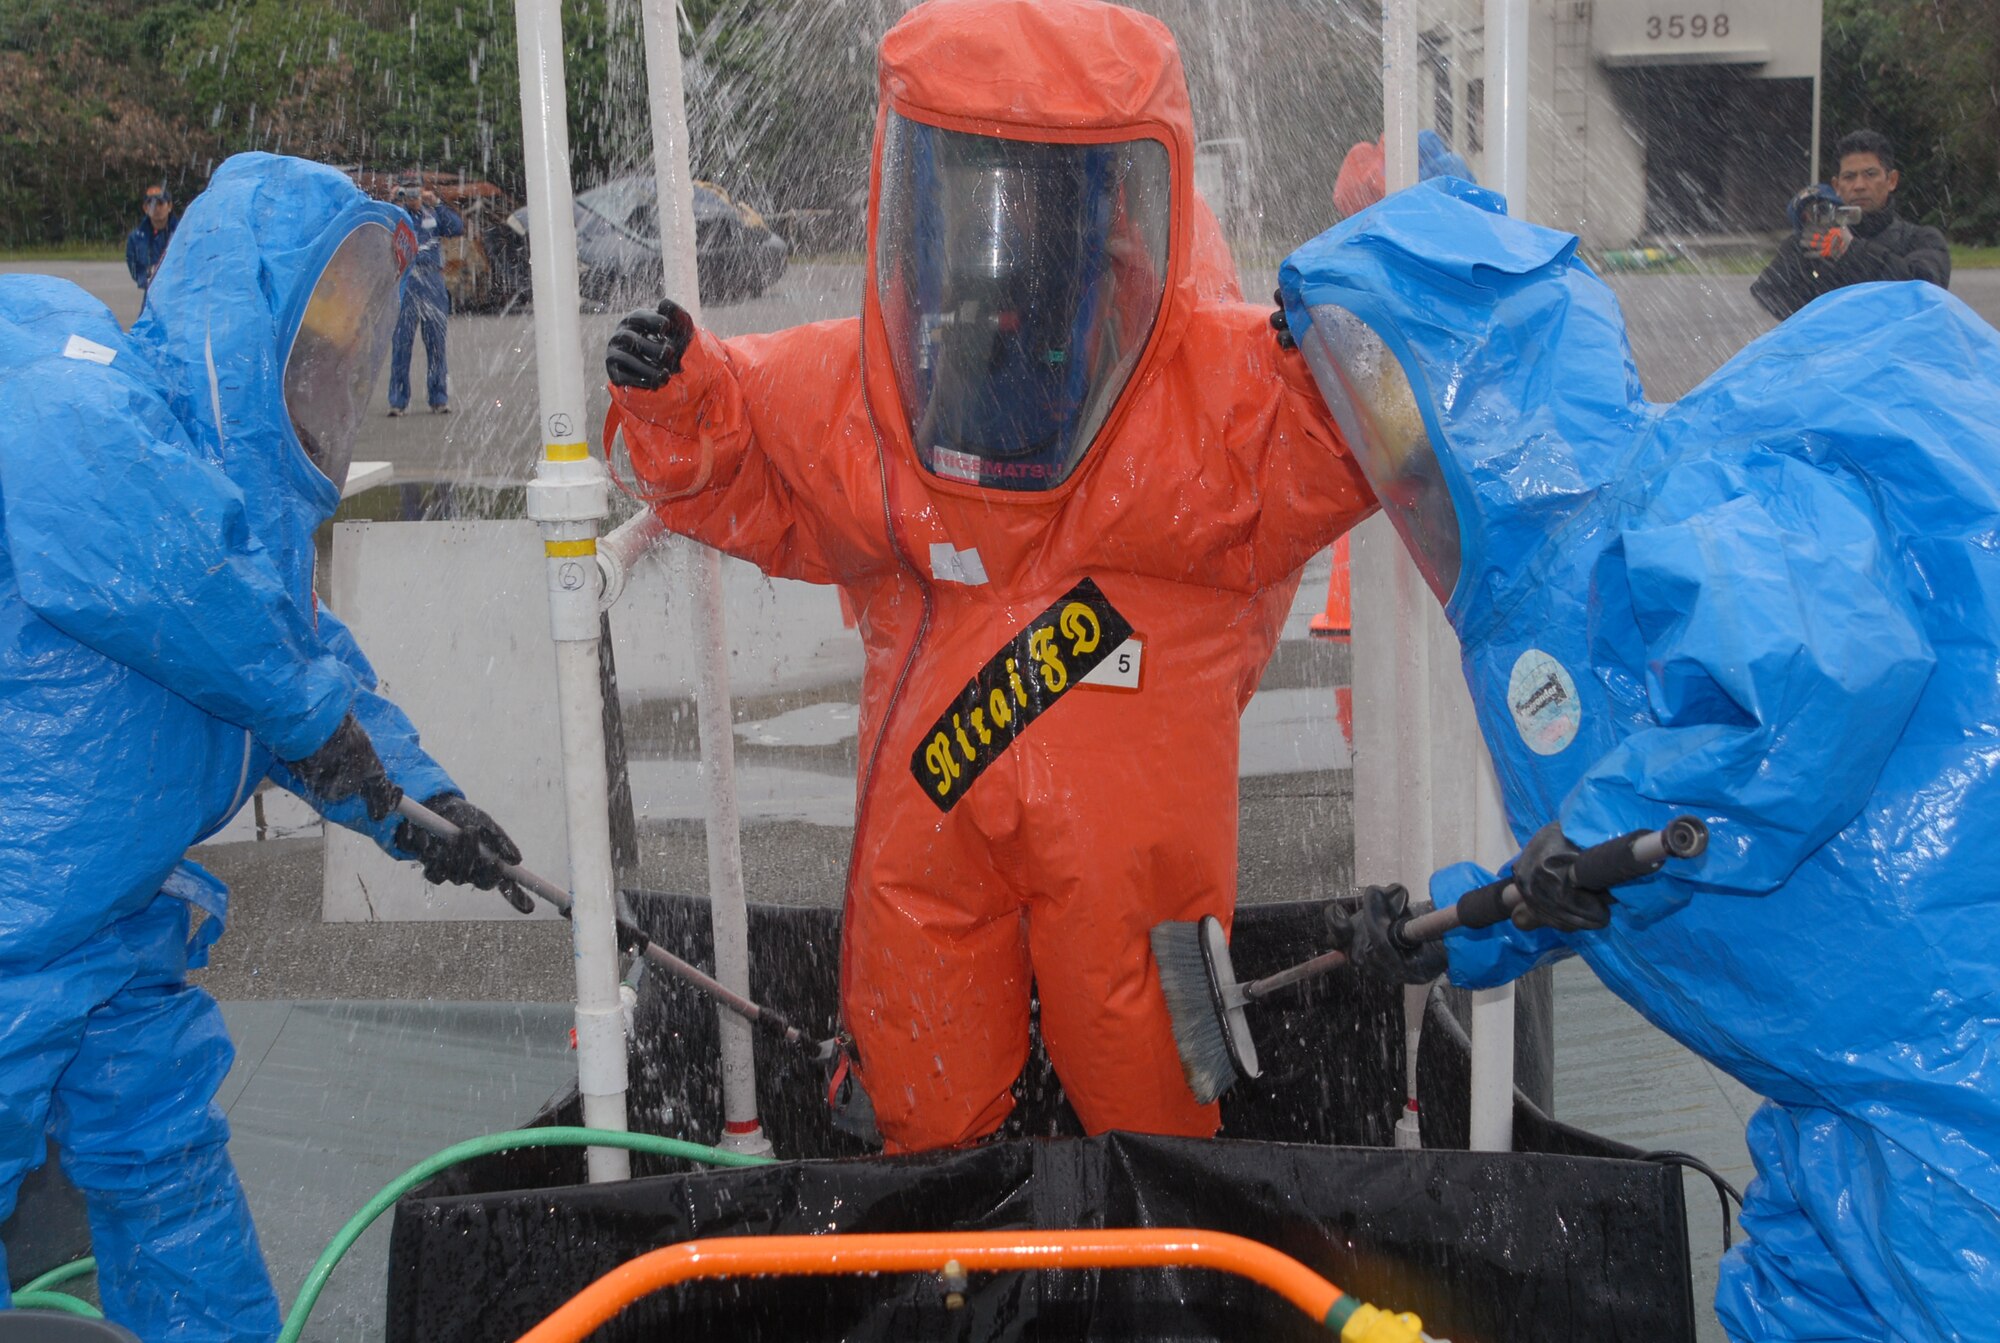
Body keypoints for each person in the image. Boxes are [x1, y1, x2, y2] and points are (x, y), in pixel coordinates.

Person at [603, 0, 1373, 1153]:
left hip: (1089, 822)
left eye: (1047, 194)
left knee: (1151, 1074)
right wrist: (676, 393)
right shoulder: (884, 388)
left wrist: (1382, 310)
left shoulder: (1213, 387)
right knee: (924, 1069)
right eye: (971, 188)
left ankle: (1136, 1248)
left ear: (1123, 198)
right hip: (952, 808)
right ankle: (987, 1244)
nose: (1007, 233)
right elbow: (747, 451)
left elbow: (1358, 424)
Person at [1280, 175, 2000, 1341]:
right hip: (1837, 1088)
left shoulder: (1684, 504)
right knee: (1789, 1299)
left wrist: (1593, 828)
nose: (1383, 447)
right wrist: (1470, 921)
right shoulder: (1553, 580)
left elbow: (1826, 677)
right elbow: (1618, 838)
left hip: (1947, 1089)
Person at [0, 153, 525, 1342]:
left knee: (169, 1174)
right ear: (240, 329)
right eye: (309, 353)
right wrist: (318, 728)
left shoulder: (224, 519)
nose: (329, 383)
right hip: (13, 935)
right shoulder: (82, 419)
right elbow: (216, 622)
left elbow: (296, 658)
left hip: (113, 924)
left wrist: (423, 804)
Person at [1751, 129, 1950, 320]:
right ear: (1837, 186)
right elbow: (1767, 290)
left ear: (1891, 180)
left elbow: (1927, 292)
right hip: (1832, 352)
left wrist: (1852, 251)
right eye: (1849, 177)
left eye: (1870, 174)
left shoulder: (1921, 239)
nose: (1859, 186)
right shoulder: (1813, 240)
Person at [387, 182, 463, 416]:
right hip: (405, 282)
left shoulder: (433, 213)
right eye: (406, 193)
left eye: (415, 193)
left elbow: (456, 227)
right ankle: (398, 402)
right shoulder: (396, 216)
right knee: (401, 343)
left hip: (432, 280)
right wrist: (391, 202)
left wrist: (436, 203)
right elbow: (379, 229)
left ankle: (438, 398)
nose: (411, 198)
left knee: (436, 343)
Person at [124, 184, 175, 292]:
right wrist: (147, 278)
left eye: (160, 204)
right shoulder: (135, 238)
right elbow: (135, 269)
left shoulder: (182, 233)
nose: (156, 209)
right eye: (151, 204)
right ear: (145, 208)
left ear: (169, 206)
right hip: (152, 293)